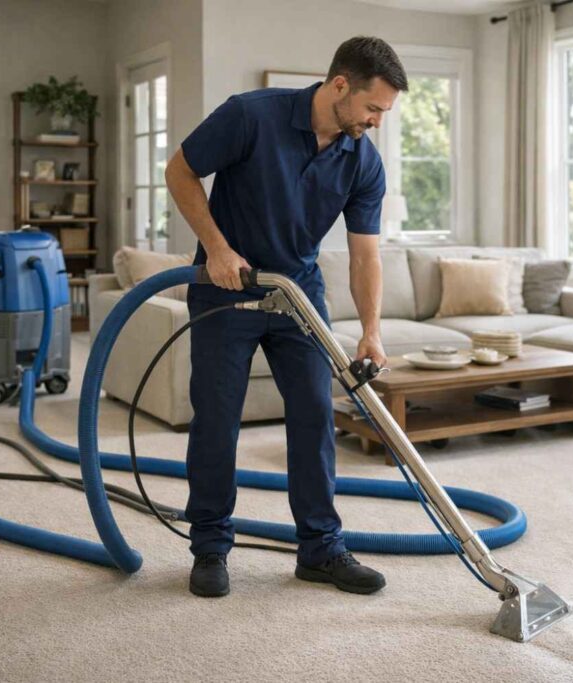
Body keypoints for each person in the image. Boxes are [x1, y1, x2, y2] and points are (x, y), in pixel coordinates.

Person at [165, 36, 407, 598]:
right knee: (217, 421)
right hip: (226, 289)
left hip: (298, 295)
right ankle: (210, 547)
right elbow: (179, 172)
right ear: (340, 86)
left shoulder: (362, 158)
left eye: (384, 113)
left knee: (313, 417)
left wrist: (371, 331)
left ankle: (320, 550)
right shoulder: (250, 116)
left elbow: (366, 253)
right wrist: (218, 249)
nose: (376, 122)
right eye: (373, 108)